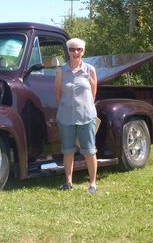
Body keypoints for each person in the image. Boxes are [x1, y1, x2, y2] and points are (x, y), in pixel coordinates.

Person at [55, 37, 98, 194]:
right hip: (65, 117)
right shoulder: (61, 71)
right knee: (67, 150)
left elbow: (93, 94)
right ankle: (68, 182)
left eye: (79, 49)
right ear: (68, 51)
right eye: (72, 49)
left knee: (89, 150)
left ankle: (93, 184)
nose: (75, 52)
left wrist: (85, 107)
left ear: (83, 51)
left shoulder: (90, 70)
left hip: (86, 116)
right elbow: (58, 95)